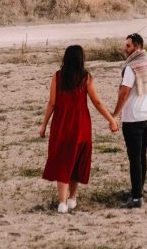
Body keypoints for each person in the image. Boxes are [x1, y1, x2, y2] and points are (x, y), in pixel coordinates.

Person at [40, 44, 119, 213]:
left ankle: (62, 202)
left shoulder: (57, 77)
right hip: (80, 124)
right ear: (81, 59)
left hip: (61, 123)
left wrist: (44, 125)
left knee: (63, 159)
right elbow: (97, 102)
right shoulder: (86, 78)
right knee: (77, 158)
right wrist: (111, 119)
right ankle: (72, 198)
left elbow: (52, 103)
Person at [111, 33, 147, 209]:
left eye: (129, 46)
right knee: (142, 155)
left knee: (134, 158)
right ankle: (138, 189)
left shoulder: (132, 68)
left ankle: (137, 197)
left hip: (134, 119)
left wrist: (114, 115)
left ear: (137, 47)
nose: (126, 49)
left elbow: (124, 93)